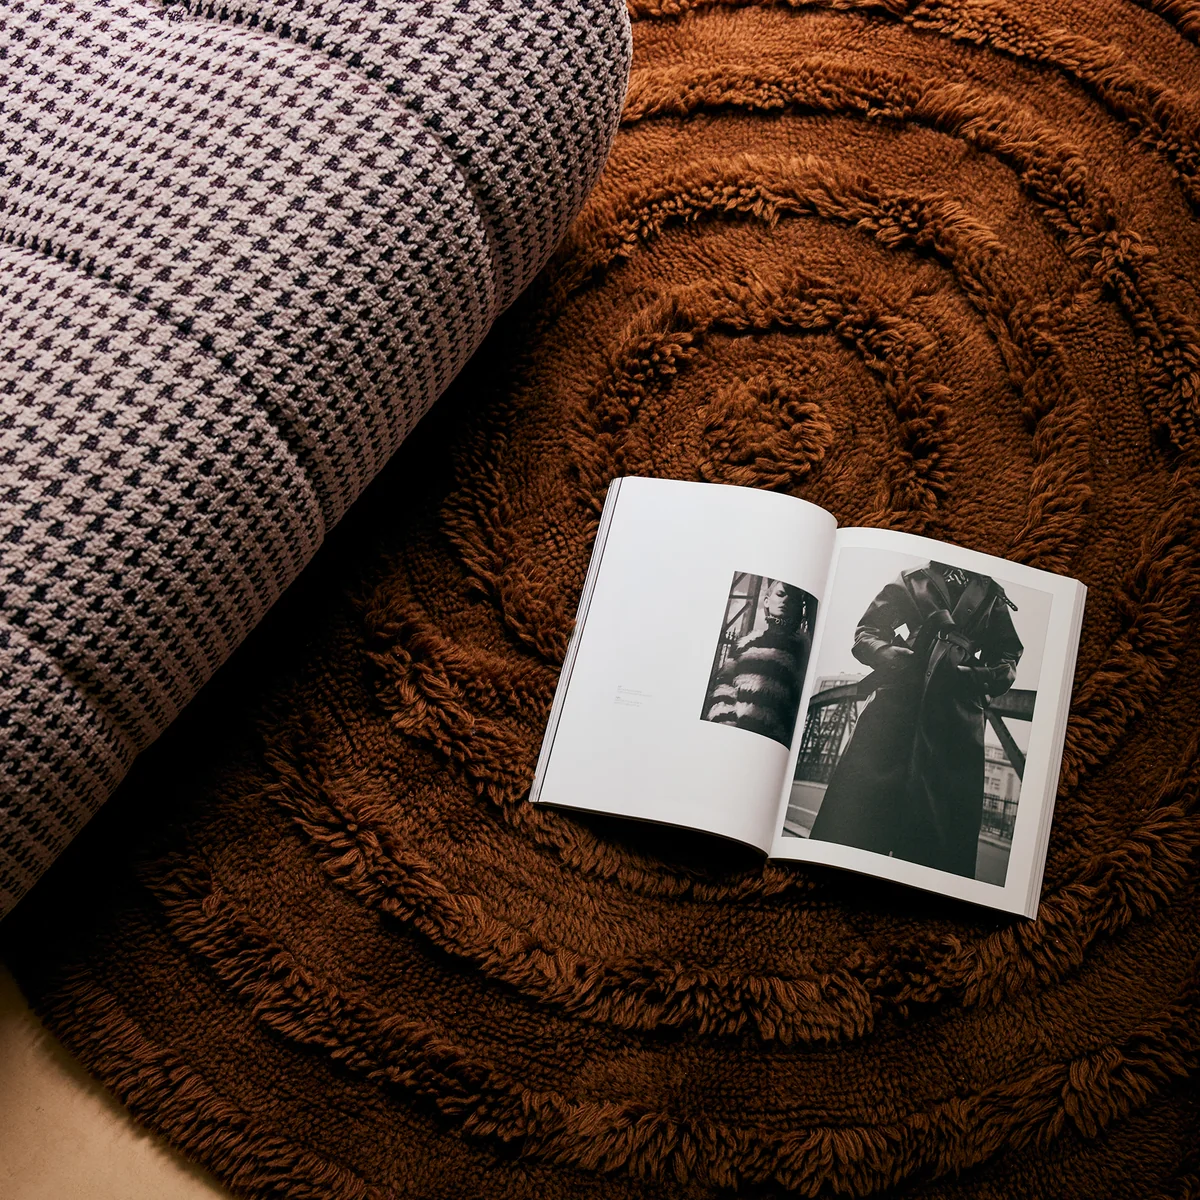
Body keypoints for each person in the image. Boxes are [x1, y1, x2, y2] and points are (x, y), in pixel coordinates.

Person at [808, 562, 1023, 877]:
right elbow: (867, 631)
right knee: (858, 819)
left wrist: (975, 677)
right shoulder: (912, 579)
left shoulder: (991, 594)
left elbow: (1008, 655)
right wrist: (890, 656)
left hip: (957, 712)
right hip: (897, 696)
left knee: (937, 839)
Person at [704, 580, 812, 747]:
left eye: (793, 599)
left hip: (768, 741)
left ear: (799, 608)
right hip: (732, 732)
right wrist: (725, 722)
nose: (785, 600)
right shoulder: (745, 644)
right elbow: (724, 687)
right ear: (766, 601)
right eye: (780, 594)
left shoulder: (802, 650)